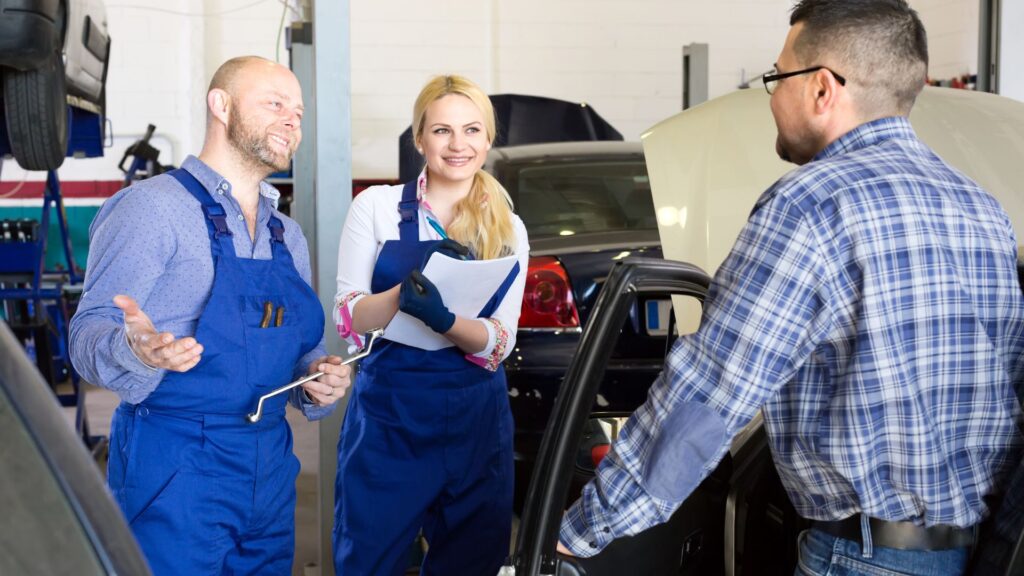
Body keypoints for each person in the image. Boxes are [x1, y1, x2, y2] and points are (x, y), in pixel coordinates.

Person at [557, 2, 1024, 575]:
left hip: (861, 559)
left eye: (775, 78)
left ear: (822, 88)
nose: (771, 96)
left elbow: (708, 396)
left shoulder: (809, 205)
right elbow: (1010, 389)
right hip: (975, 553)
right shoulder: (981, 208)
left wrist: (582, 532)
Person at [69, 56, 353, 575]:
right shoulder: (149, 209)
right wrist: (134, 349)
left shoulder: (285, 235)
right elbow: (87, 334)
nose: (293, 119)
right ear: (220, 105)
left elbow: (299, 349)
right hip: (177, 465)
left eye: (299, 111)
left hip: (270, 466)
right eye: (274, 103)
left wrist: (315, 379)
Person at [332, 74, 530, 575]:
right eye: (441, 130)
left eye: (471, 130)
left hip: (476, 421)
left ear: (488, 139)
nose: (457, 144)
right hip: (389, 419)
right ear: (419, 138)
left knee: (471, 563)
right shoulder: (374, 208)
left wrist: (443, 320)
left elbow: (499, 343)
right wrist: (402, 297)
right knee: (368, 558)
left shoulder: (509, 227)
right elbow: (349, 316)